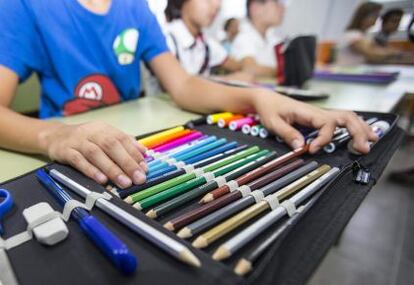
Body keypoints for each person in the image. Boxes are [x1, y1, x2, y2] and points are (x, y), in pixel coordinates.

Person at [0, 0, 377, 190]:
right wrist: (55, 135)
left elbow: (181, 84)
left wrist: (258, 98)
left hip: (139, 147)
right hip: (69, 157)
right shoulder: (24, 6)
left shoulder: (135, 9)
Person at [163, 0, 250, 80]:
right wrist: (226, 79)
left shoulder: (206, 44)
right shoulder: (166, 39)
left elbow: (238, 67)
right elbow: (179, 85)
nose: (217, 5)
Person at [231, 0, 286, 78]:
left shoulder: (274, 40)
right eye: (276, 3)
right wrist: (284, 71)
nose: (283, 9)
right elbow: (251, 70)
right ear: (255, 8)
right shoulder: (244, 38)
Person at [336, 2, 400, 66]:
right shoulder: (352, 35)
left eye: (377, 15)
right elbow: (371, 54)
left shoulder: (366, 36)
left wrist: (388, 52)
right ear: (364, 16)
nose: (376, 18)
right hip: (346, 73)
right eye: (375, 15)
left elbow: (377, 51)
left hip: (358, 71)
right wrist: (392, 53)